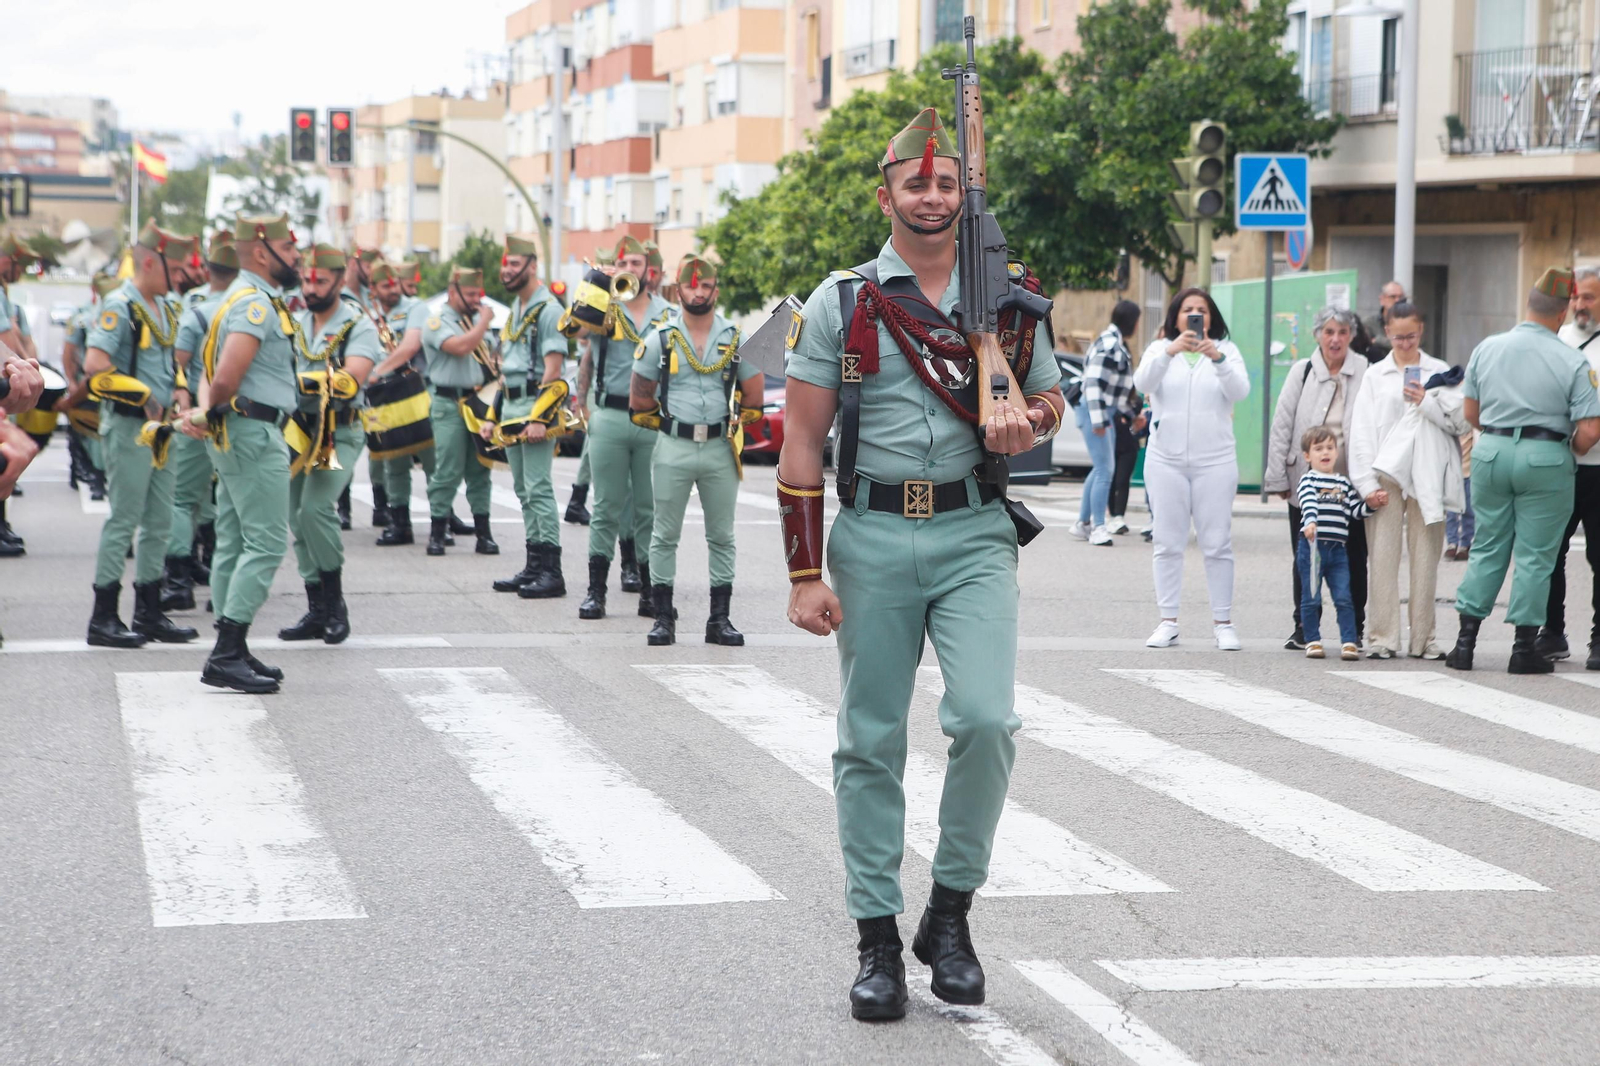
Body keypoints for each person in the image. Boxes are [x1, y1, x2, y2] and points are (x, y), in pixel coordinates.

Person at [779, 107, 1063, 1021]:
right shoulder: (846, 301)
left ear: (960, 195)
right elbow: (801, 442)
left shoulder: (1011, 296)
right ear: (888, 193)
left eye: (946, 183)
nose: (932, 195)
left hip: (974, 531)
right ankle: (875, 939)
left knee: (986, 722)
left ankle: (949, 914)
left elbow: (1052, 398)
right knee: (870, 740)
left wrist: (1028, 416)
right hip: (869, 537)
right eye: (916, 182)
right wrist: (802, 572)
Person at [1445, 268, 1600, 674]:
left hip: (1491, 453)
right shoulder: (1572, 359)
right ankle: (1523, 648)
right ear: (1563, 309)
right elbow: (1590, 430)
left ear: (1529, 304)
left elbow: (1471, 414)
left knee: (1487, 545)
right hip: (1545, 456)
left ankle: (1464, 644)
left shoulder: (1487, 348)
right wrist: (1566, 450)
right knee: (1536, 555)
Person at [195, 211, 304, 694]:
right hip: (254, 432)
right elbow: (225, 376)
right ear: (263, 252)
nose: (298, 257)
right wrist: (213, 410)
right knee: (265, 544)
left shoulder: (237, 298)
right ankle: (226, 652)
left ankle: (231, 647)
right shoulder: (255, 306)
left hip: (239, 430)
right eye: (292, 249)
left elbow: (212, 375)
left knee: (235, 541)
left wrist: (209, 413)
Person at [80, 221, 201, 649]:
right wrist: (146, 393)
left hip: (162, 428)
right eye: (176, 268)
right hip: (130, 426)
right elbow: (95, 364)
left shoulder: (165, 307)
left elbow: (173, 360)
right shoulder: (120, 305)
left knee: (159, 521)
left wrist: (182, 386)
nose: (183, 276)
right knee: (125, 519)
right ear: (150, 262)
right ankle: (104, 616)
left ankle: (149, 613)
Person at [630, 254, 763, 645]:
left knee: (722, 535)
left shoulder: (735, 338)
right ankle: (662, 618)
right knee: (664, 534)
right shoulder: (660, 338)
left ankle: (718, 620)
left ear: (715, 291)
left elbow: (753, 395)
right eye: (691, 285)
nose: (698, 291)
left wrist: (740, 420)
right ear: (678, 289)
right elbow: (639, 399)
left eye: (705, 286)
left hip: (720, 447)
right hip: (674, 444)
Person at [274, 244, 380, 645]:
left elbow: (353, 376)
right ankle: (316, 607)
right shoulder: (294, 321)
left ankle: (336, 607)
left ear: (339, 280)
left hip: (339, 429)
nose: (311, 287)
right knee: (296, 516)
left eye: (320, 280)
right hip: (297, 429)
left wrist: (298, 383)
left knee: (316, 509)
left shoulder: (357, 324)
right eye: (307, 279)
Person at [1134, 287, 1250, 651]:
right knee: (1167, 543)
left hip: (1214, 461)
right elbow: (1143, 384)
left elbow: (1240, 391)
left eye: (1201, 309)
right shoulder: (1159, 350)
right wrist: (1170, 351)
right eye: (1188, 310)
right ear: (1176, 317)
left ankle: (1223, 622)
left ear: (1210, 317)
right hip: (1165, 460)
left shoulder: (1226, 351)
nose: (1195, 315)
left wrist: (1217, 358)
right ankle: (1168, 621)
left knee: (1217, 544)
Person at [1348, 302, 1463, 660]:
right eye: (1397, 336)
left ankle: (1424, 639)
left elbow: (1459, 423)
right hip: (1386, 472)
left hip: (1427, 472)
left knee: (1426, 558)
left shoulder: (1440, 371)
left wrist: (1426, 401)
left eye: (1410, 336)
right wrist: (1366, 485)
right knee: (1382, 558)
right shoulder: (1375, 375)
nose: (1403, 343)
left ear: (1422, 331)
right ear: (1387, 332)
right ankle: (1382, 637)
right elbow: (1362, 432)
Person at [573, 235, 674, 620]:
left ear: (649, 269)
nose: (631, 269)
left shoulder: (667, 314)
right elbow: (580, 340)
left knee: (649, 508)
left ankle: (650, 591)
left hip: (653, 418)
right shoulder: (603, 307)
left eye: (637, 263)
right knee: (605, 507)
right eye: (624, 263)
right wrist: (597, 284)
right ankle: (595, 592)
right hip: (611, 415)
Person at [1263, 306, 1370, 649]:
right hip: (1307, 481)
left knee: (1353, 557)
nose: (1335, 339)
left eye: (1342, 332)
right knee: (1307, 557)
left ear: (1351, 336)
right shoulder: (1302, 371)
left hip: (1350, 482)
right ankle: (1304, 628)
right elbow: (1282, 424)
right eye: (1328, 332)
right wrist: (1278, 477)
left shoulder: (1366, 370)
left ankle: (1355, 629)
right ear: (1317, 336)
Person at [484, 233, 569, 599]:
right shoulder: (517, 310)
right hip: (513, 407)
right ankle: (534, 565)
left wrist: (540, 418)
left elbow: (553, 369)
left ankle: (552, 570)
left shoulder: (548, 310)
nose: (507, 271)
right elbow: (507, 370)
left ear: (532, 266)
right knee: (523, 490)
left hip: (536, 407)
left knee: (538, 488)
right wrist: (492, 413)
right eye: (506, 265)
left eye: (515, 265)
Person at [162, 233, 236, 612]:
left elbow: (178, 362)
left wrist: (185, 401)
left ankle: (177, 583)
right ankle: (224, 584)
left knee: (182, 499)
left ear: (207, 270)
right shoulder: (252, 305)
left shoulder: (196, 309)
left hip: (198, 414)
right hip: (240, 414)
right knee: (228, 498)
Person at [1539, 264, 1600, 664]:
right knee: (1550, 551)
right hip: (1559, 464)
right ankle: (1553, 631)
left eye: (1589, 296)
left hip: (1598, 466)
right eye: (1576, 296)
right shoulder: (1554, 340)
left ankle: (1599, 638)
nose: (1580, 303)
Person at [420, 266, 499, 557]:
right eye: (469, 294)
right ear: (452, 293)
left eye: (478, 294)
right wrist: (484, 322)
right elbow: (461, 347)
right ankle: (438, 533)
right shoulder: (437, 321)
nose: (476, 300)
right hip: (448, 403)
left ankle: (484, 534)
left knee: (480, 469)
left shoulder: (473, 320)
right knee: (448, 470)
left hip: (477, 403)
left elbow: (487, 355)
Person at [1296, 426, 1374, 661]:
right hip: (1313, 547)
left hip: (1339, 551)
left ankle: (1349, 641)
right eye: (1318, 449)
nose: (1325, 453)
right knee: (1311, 597)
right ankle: (1312, 640)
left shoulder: (1343, 482)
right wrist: (1310, 523)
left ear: (1337, 452)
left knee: (1344, 597)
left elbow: (1355, 511)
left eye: (1330, 447)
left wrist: (1371, 504)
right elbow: (1308, 503)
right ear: (1308, 456)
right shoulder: (1308, 480)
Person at [1072, 300, 1139, 546]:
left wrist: (1132, 415)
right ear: (1132, 321)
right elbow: (1092, 383)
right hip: (1095, 412)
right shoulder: (1111, 345)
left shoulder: (1111, 342)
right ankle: (1098, 526)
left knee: (1100, 468)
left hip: (1098, 411)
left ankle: (1084, 523)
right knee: (1104, 470)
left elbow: (1115, 394)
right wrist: (1099, 419)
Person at [1445, 430, 1477, 559]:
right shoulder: (1451, 428)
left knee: (1468, 511)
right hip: (1453, 473)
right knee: (1451, 512)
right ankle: (1452, 543)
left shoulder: (1473, 428)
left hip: (1469, 473)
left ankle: (1465, 544)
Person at [1363, 280, 1407, 364]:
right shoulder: (1369, 323)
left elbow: (1407, 346)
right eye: (1393, 297)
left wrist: (1378, 340)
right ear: (1382, 299)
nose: (1397, 300)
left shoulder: (1409, 323)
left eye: (1400, 297)